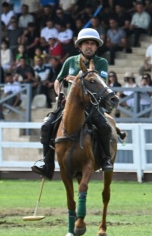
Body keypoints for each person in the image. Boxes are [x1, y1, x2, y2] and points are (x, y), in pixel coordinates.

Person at [31, 28, 113, 180]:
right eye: (86, 43)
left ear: (96, 47)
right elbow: (58, 80)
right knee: (47, 125)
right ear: (80, 46)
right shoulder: (70, 61)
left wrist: (74, 78)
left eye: (92, 44)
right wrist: (59, 94)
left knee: (104, 126)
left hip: (92, 105)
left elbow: (100, 83)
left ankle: (105, 159)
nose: (89, 46)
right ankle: (47, 163)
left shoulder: (101, 63)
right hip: (68, 105)